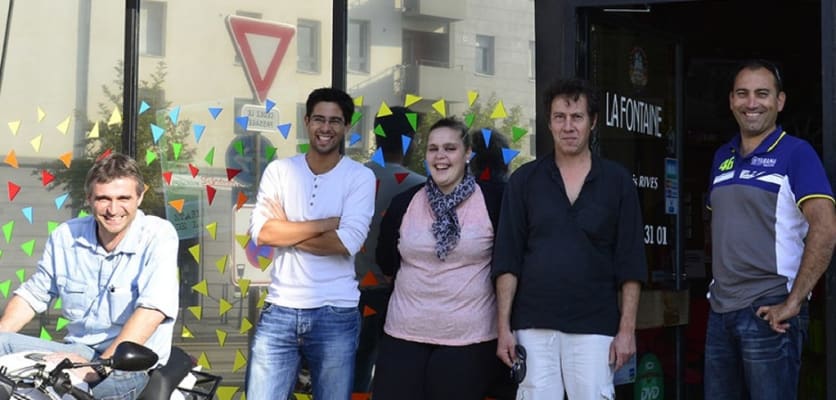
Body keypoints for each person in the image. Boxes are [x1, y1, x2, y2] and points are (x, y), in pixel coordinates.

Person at [492, 78, 647, 399]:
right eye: (559, 117)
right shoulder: (524, 180)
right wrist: (503, 327)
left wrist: (627, 329)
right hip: (533, 324)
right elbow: (508, 258)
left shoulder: (617, 181)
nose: (568, 126)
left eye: (577, 117)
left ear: (593, 122)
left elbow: (630, 261)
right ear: (549, 123)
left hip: (595, 324)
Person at [704, 59, 836, 399]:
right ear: (731, 100)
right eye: (742, 94)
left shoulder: (797, 154)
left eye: (762, 94)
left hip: (769, 311)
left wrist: (794, 301)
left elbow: (825, 228)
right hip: (721, 313)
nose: (751, 103)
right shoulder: (722, 157)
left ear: (780, 101)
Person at [0, 153, 180, 400]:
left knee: (57, 394)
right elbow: (33, 296)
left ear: (139, 197)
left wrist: (98, 368)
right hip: (77, 352)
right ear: (89, 199)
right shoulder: (66, 236)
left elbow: (151, 311)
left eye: (123, 198)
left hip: (126, 365)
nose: (113, 209)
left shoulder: (157, 235)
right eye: (103, 199)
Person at [246, 87, 376, 400]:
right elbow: (262, 234)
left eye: (335, 121)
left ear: (346, 127)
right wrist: (325, 224)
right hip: (280, 307)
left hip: (336, 311)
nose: (325, 127)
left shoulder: (359, 177)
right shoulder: (280, 171)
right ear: (307, 121)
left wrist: (287, 229)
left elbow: (346, 242)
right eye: (319, 119)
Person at [371, 118, 505, 400]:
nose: (440, 156)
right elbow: (387, 262)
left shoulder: (495, 202)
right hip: (403, 336)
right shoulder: (404, 203)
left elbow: (507, 266)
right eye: (433, 149)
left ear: (467, 154)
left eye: (450, 148)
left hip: (468, 341)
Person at [352, 106, 425, 394]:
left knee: (354, 369)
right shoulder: (420, 187)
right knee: (393, 374)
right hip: (397, 296)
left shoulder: (352, 177)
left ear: (376, 136)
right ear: (410, 141)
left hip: (348, 292)